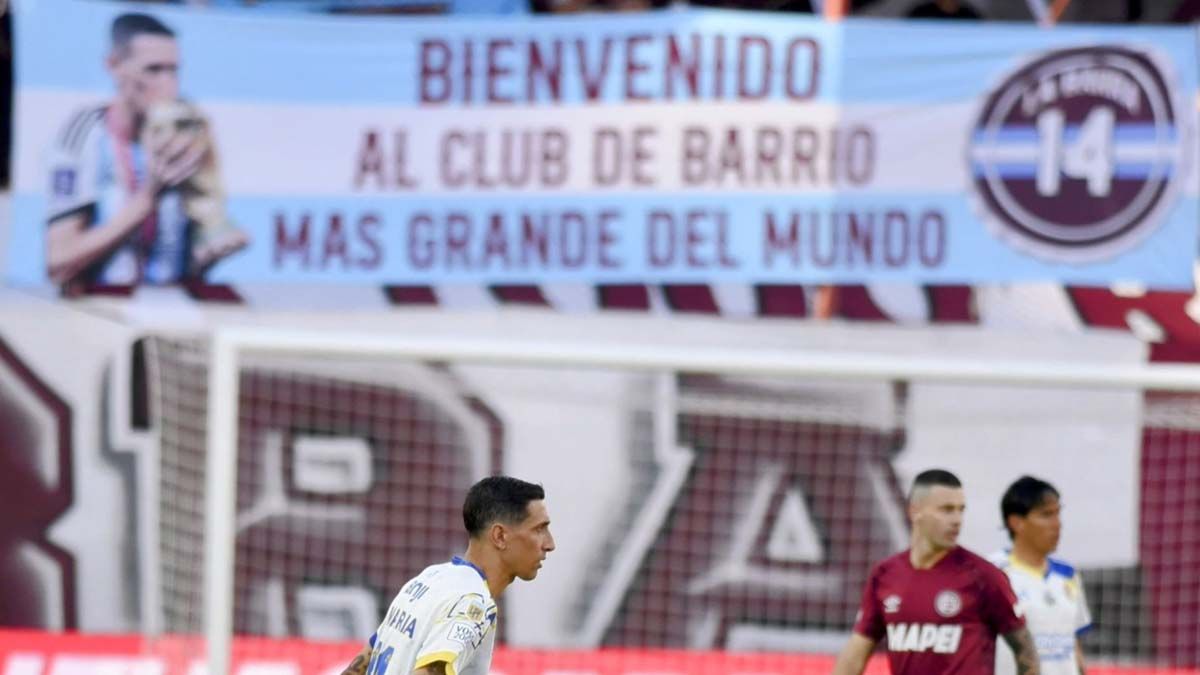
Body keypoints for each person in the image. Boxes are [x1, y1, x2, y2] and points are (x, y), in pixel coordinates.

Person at [45, 12, 246, 292]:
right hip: (100, 310)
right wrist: (146, 200)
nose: (169, 85)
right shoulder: (85, 135)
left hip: (169, 308)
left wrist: (208, 250)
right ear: (114, 66)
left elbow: (181, 262)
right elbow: (59, 263)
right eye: (153, 70)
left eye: (174, 70)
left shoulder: (186, 128)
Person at [832, 469, 1041, 675]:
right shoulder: (885, 574)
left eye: (961, 510)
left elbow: (1025, 650)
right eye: (947, 509)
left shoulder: (984, 576)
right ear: (915, 511)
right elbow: (856, 654)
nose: (957, 519)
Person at [340, 476, 555, 675]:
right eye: (539, 529)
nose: (549, 544)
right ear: (499, 536)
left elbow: (364, 660)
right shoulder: (474, 605)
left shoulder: (428, 579)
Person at [991, 476, 1091, 675]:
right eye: (1046, 515)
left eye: (1058, 514)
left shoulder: (1067, 575)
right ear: (1016, 522)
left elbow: (1074, 645)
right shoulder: (993, 573)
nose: (1057, 524)